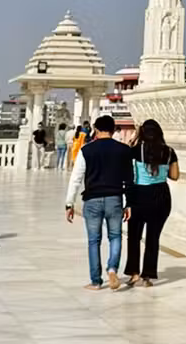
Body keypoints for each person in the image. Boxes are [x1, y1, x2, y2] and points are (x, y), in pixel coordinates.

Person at [65, 115, 133, 291]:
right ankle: (112, 268)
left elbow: (76, 178)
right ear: (113, 129)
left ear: (96, 129)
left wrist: (69, 203)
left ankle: (96, 281)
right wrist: (129, 204)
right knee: (115, 236)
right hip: (114, 198)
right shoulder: (124, 150)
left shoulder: (86, 150)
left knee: (94, 240)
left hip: (92, 199)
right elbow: (129, 180)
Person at [125, 119, 179, 287]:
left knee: (134, 236)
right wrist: (161, 172)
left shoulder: (135, 151)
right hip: (161, 195)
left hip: (140, 195)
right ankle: (147, 276)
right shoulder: (169, 152)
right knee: (153, 238)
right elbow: (175, 176)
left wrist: (132, 143)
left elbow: (128, 173)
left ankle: (134, 273)